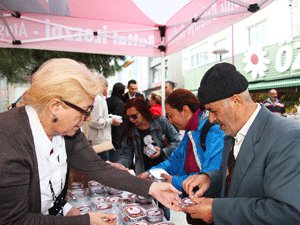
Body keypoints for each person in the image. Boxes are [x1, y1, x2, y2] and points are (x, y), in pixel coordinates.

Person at [0, 58, 182, 225]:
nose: (87, 118)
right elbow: (14, 220)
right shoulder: (9, 142)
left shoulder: (66, 131)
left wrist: (152, 188)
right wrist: (84, 221)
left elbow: (98, 168)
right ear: (56, 106)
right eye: (85, 110)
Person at [182, 63, 300, 225]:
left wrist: (217, 211)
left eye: (214, 110)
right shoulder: (231, 132)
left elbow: (288, 212)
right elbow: (237, 177)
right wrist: (209, 179)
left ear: (236, 101)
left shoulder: (287, 137)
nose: (211, 119)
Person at [138, 89, 225, 225]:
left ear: (185, 110)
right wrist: (151, 173)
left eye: (171, 115)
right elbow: (175, 161)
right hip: (193, 202)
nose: (170, 122)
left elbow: (210, 176)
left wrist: (173, 181)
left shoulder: (213, 130)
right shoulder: (191, 132)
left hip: (209, 205)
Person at [112, 97, 180, 220]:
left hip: (163, 171)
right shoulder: (130, 130)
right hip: (143, 172)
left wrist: (163, 152)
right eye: (128, 117)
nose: (131, 120)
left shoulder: (161, 122)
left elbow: (177, 142)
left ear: (143, 111)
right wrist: (121, 165)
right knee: (148, 205)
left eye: (134, 116)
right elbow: (126, 153)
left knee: (164, 205)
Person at [87, 74, 121, 161]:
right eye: (106, 86)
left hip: (101, 142)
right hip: (99, 143)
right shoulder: (97, 99)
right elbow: (95, 121)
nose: (107, 89)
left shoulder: (99, 98)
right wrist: (111, 120)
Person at [106, 82, 126, 149]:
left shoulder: (106, 101)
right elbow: (118, 123)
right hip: (115, 139)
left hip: (106, 134)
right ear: (122, 92)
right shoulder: (120, 103)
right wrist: (117, 142)